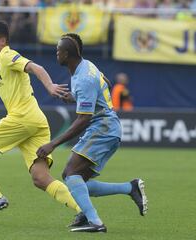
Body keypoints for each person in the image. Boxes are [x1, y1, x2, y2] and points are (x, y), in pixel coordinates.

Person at [0, 20, 81, 221]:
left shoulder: (7, 55)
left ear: (2, 40)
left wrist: (49, 87)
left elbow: (35, 67)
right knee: (41, 178)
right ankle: (83, 211)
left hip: (22, 118)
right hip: (35, 121)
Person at [36, 33, 148, 233]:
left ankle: (95, 222)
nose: (56, 54)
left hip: (102, 128)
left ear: (66, 54)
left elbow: (83, 119)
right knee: (79, 182)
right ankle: (130, 188)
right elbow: (106, 85)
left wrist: (53, 144)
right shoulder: (86, 66)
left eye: (58, 51)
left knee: (70, 174)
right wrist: (76, 98)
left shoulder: (83, 78)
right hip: (107, 127)